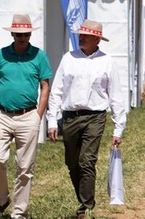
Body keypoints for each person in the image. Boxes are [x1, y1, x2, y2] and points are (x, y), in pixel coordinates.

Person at [0, 14, 53, 219]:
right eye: (18, 34)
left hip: (29, 115)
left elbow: (45, 87)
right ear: (13, 34)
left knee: (25, 167)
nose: (22, 37)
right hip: (2, 114)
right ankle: (1, 202)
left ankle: (19, 213)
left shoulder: (39, 56)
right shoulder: (1, 55)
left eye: (26, 34)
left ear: (30, 34)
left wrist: (38, 115)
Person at [47, 20, 127, 219]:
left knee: (87, 161)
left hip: (95, 117)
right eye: (80, 34)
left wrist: (118, 128)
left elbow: (115, 95)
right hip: (70, 117)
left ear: (97, 39)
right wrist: (51, 120)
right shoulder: (68, 58)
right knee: (72, 163)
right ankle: (83, 199)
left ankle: (86, 205)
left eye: (86, 35)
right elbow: (56, 90)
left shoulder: (107, 61)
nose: (80, 37)